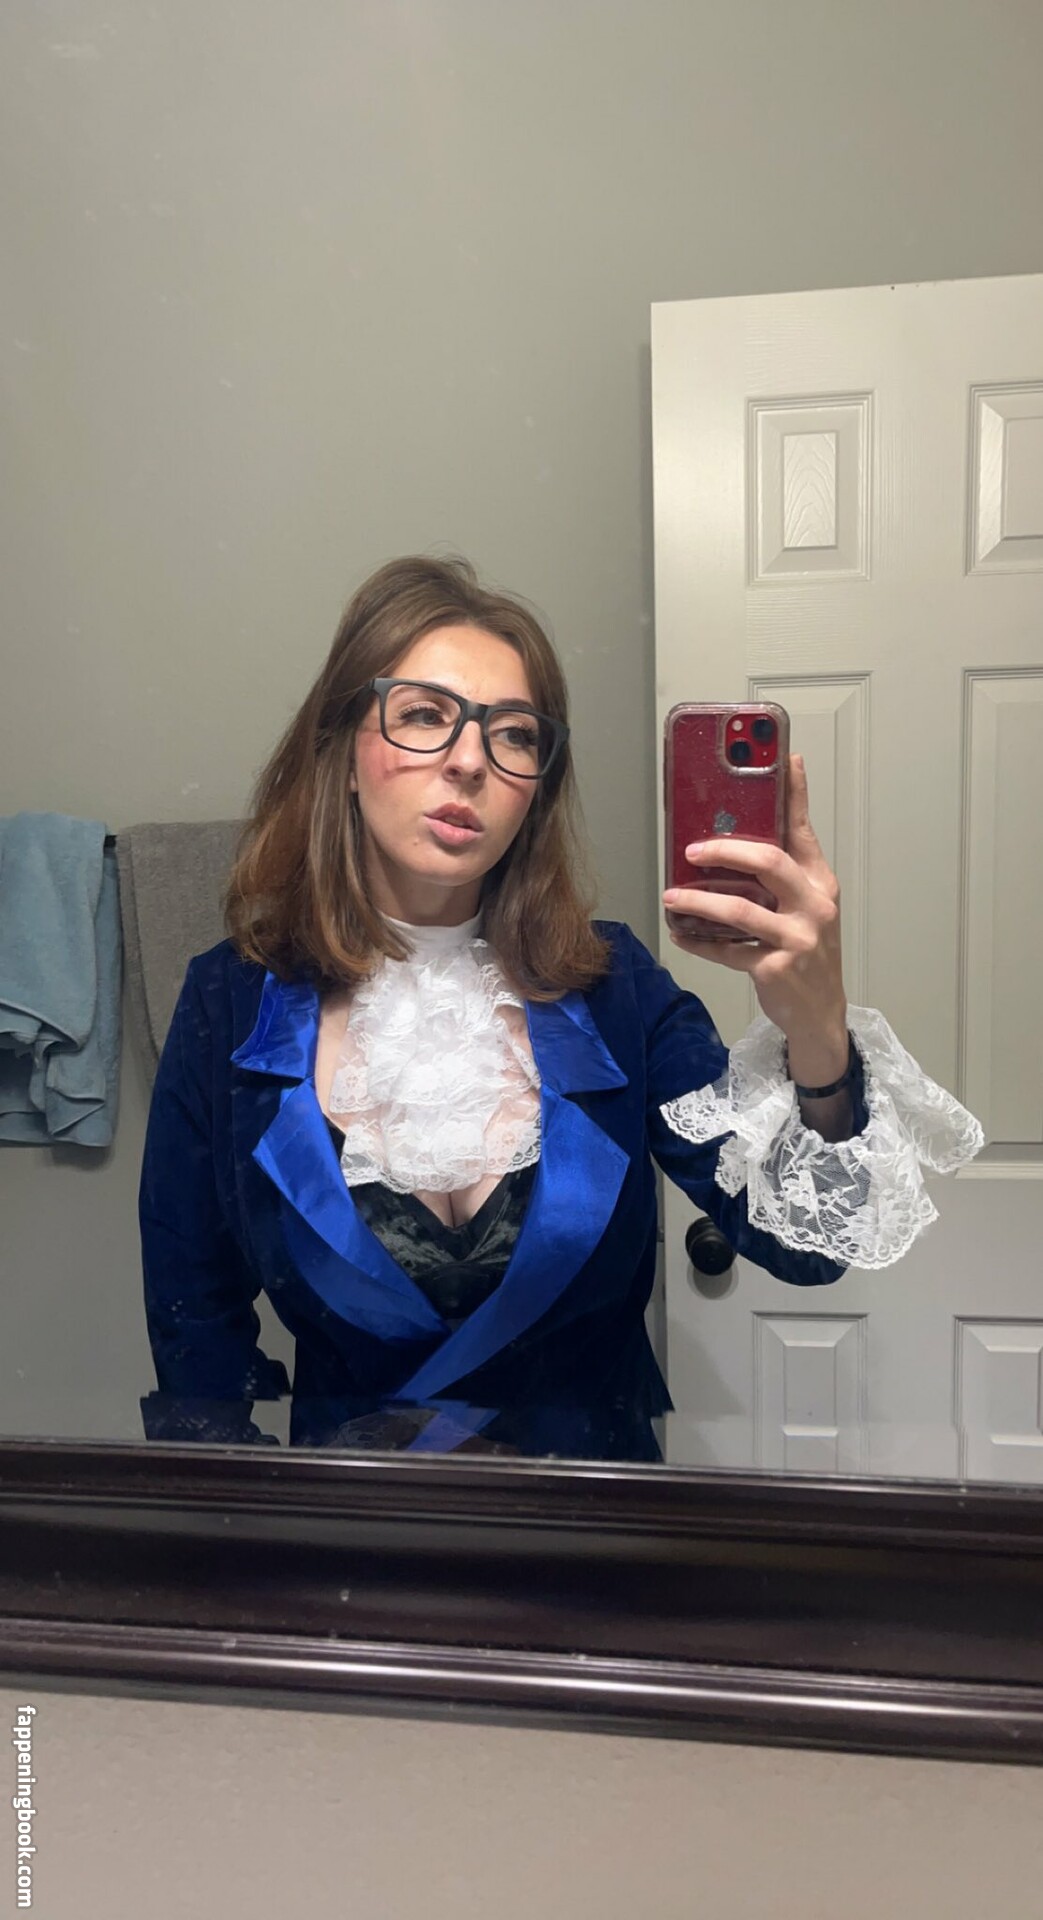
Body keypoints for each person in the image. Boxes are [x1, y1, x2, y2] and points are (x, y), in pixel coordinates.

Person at [138, 555, 982, 1457]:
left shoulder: (616, 988)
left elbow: (809, 1251)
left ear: (536, 788)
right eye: (423, 715)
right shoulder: (229, 1003)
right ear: (343, 752)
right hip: (357, 1529)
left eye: (513, 735)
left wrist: (815, 1031)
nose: (470, 760)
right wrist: (242, 1531)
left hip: (595, 1523)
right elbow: (196, 1330)